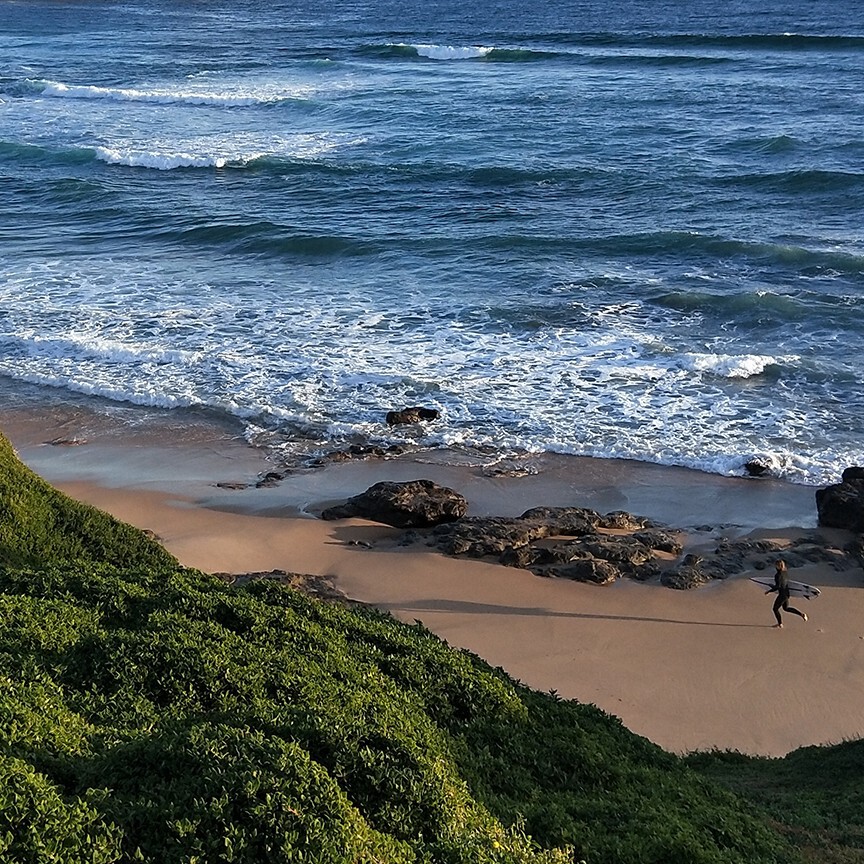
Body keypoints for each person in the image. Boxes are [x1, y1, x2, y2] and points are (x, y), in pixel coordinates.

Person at [765, 558, 808, 628]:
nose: (775, 567)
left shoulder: (777, 575)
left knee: (775, 609)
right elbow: (784, 583)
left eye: (776, 565)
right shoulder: (785, 573)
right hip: (787, 594)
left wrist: (769, 591)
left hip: (782, 595)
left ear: (778, 566)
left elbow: (778, 586)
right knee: (786, 608)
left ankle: (780, 624)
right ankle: (802, 614)